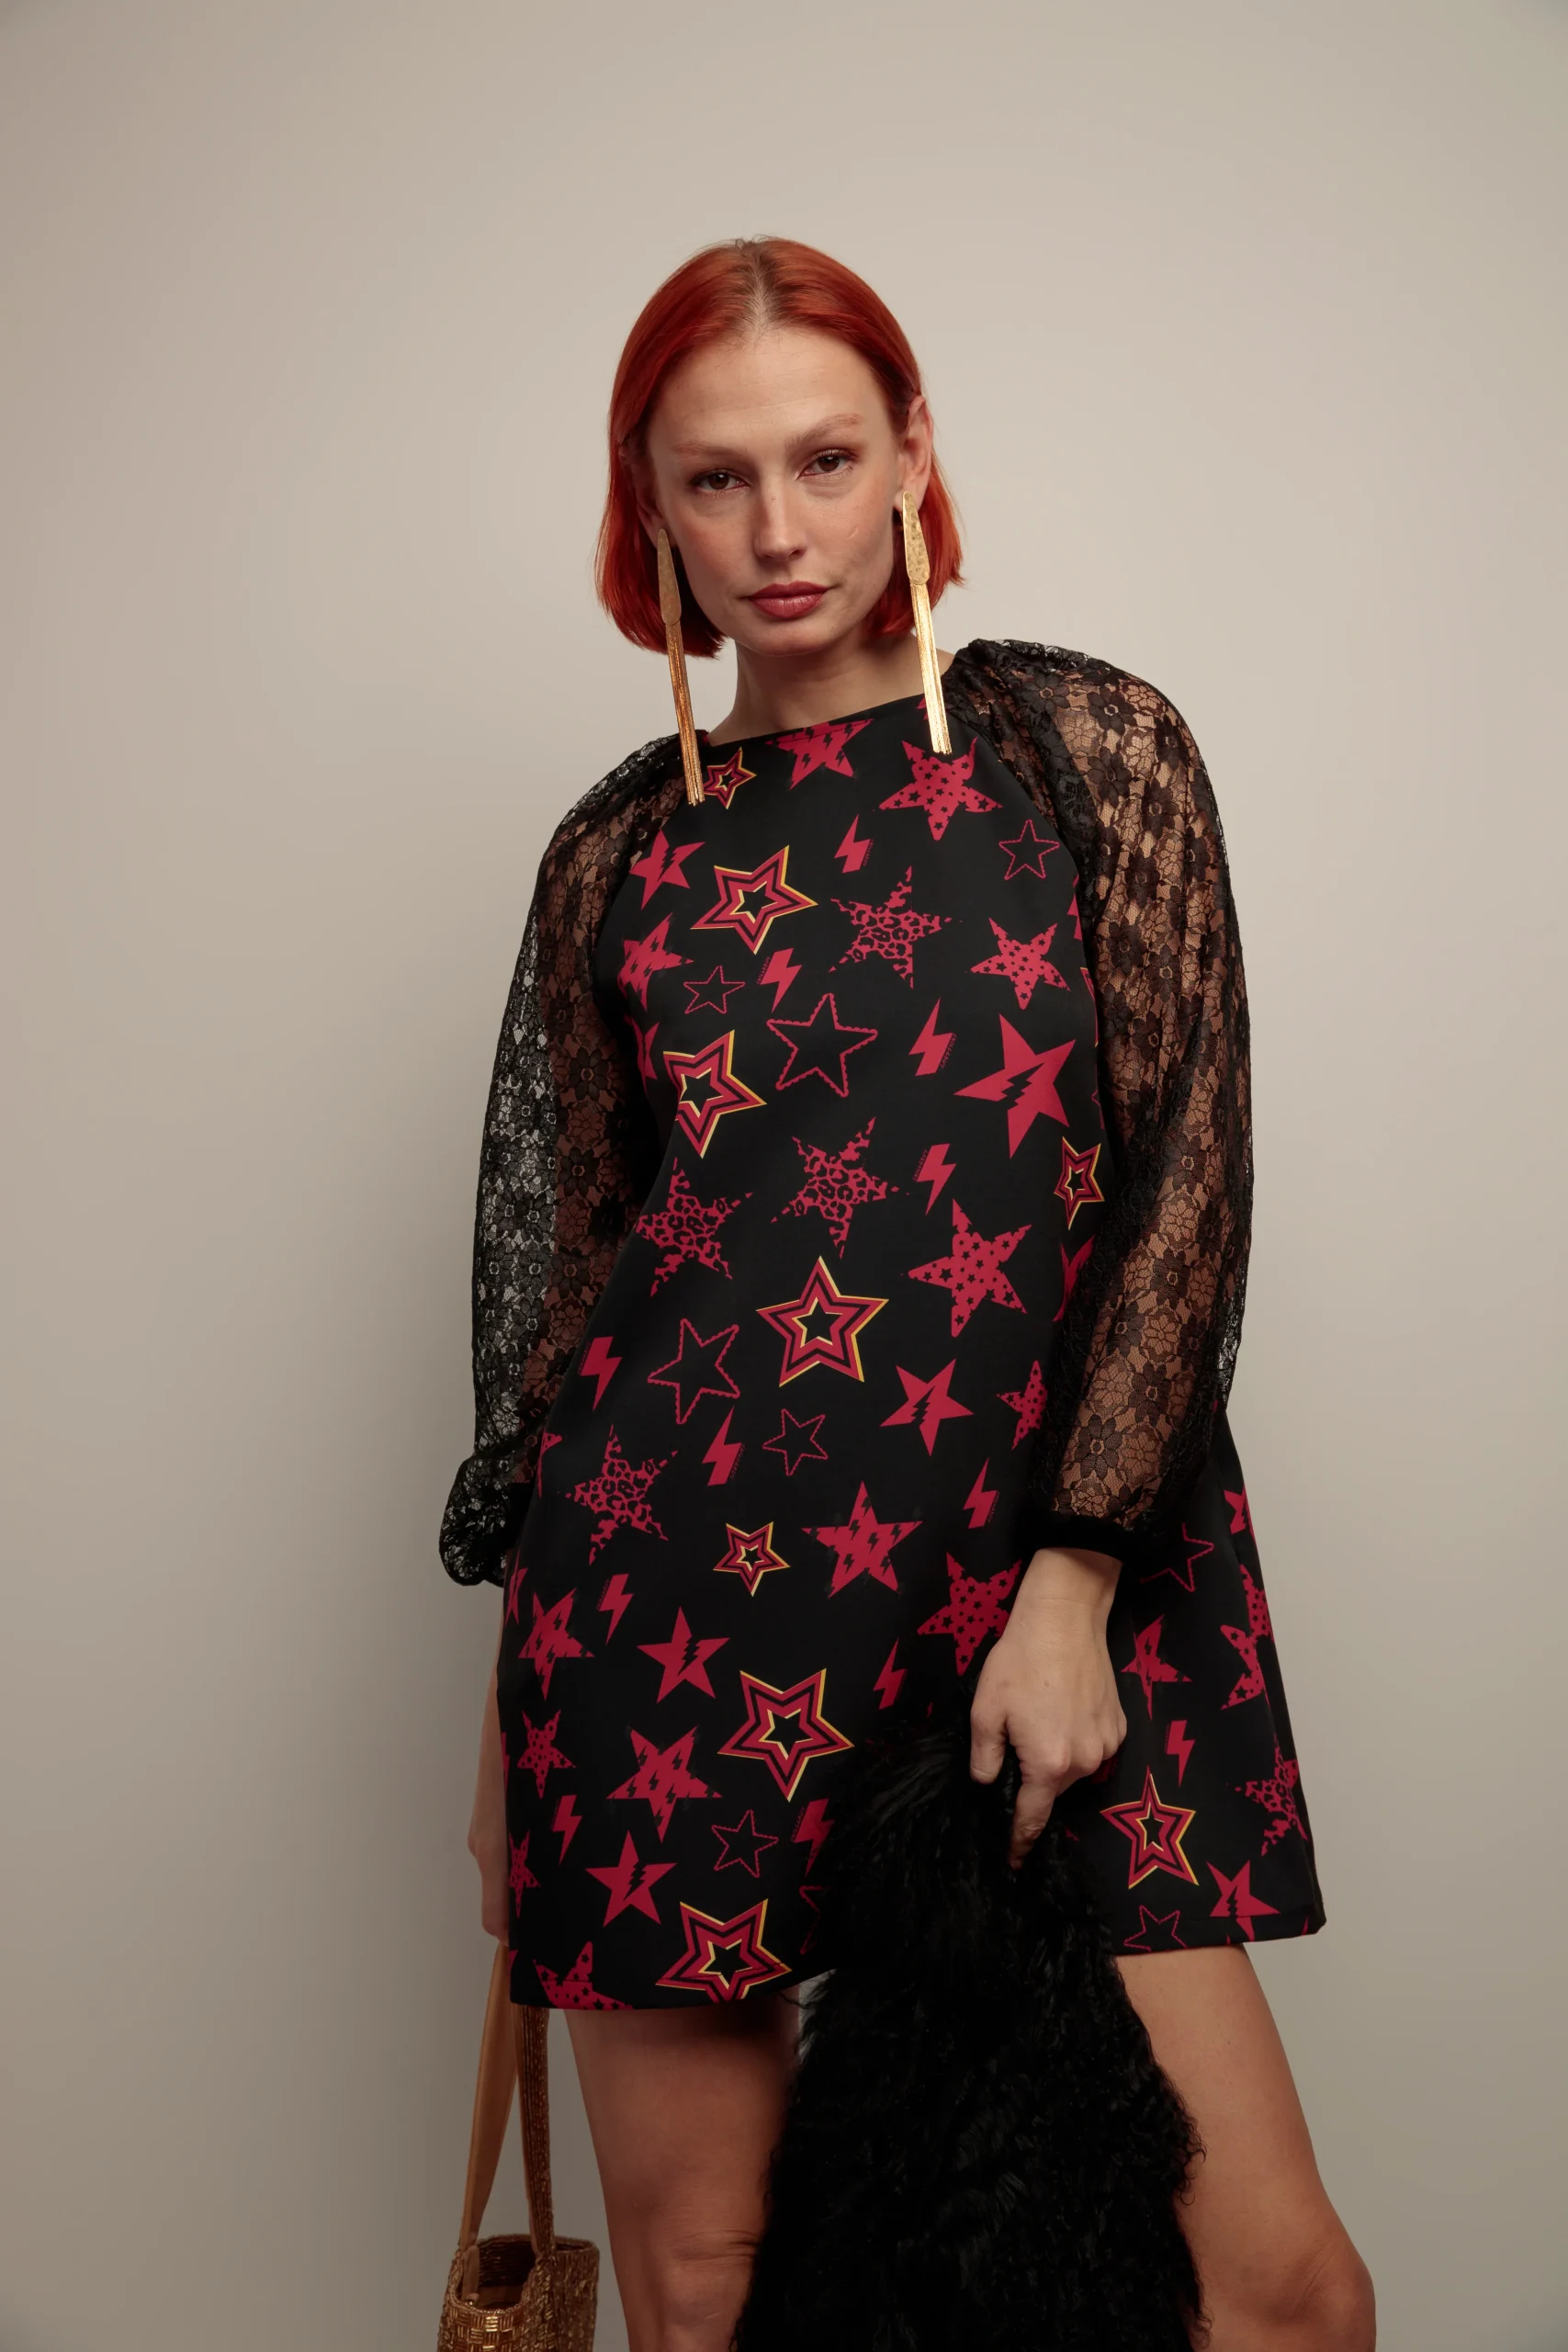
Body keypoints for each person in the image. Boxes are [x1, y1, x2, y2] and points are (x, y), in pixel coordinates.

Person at [442, 236, 1374, 2352]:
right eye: (714, 478)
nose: (777, 529)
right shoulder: (617, 855)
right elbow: (566, 1306)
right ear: (647, 504)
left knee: (1279, 2293)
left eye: (826, 457)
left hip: (1048, 1584)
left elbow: (1185, 1183)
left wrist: (1075, 1574)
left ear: (912, 453)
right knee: (711, 2292)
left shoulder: (1083, 753)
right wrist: (515, 1721)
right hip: (669, 1626)